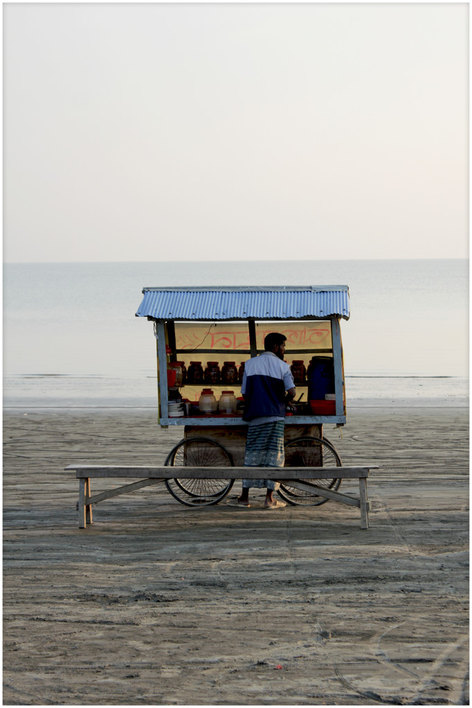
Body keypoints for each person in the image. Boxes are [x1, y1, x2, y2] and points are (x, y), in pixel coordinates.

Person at [238, 332, 296, 509]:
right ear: (276, 347)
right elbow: (292, 392)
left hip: (255, 417)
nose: (284, 350)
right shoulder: (282, 367)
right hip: (275, 418)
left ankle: (244, 498)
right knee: (274, 457)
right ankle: (269, 499)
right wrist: (284, 400)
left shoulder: (250, 364)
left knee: (252, 456)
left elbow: (245, 392)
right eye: (283, 346)